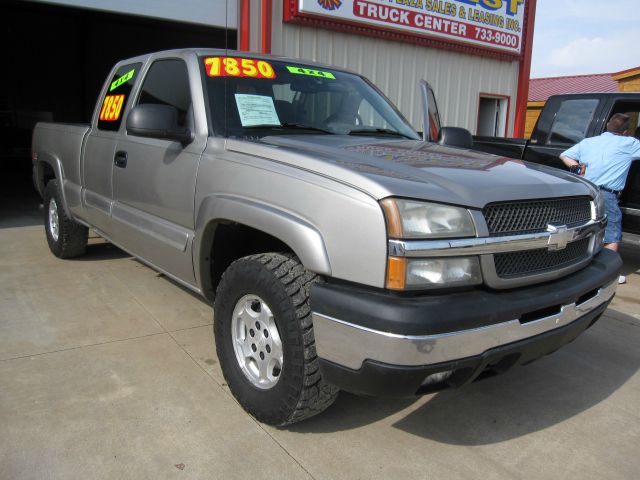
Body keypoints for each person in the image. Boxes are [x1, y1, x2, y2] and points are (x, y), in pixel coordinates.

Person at [559, 113, 640, 284]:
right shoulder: (630, 143)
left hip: (585, 191)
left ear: (607, 126)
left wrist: (577, 167)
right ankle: (609, 273)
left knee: (585, 229)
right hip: (607, 194)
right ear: (626, 131)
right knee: (612, 233)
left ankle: (577, 265)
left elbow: (564, 155)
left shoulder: (589, 142)